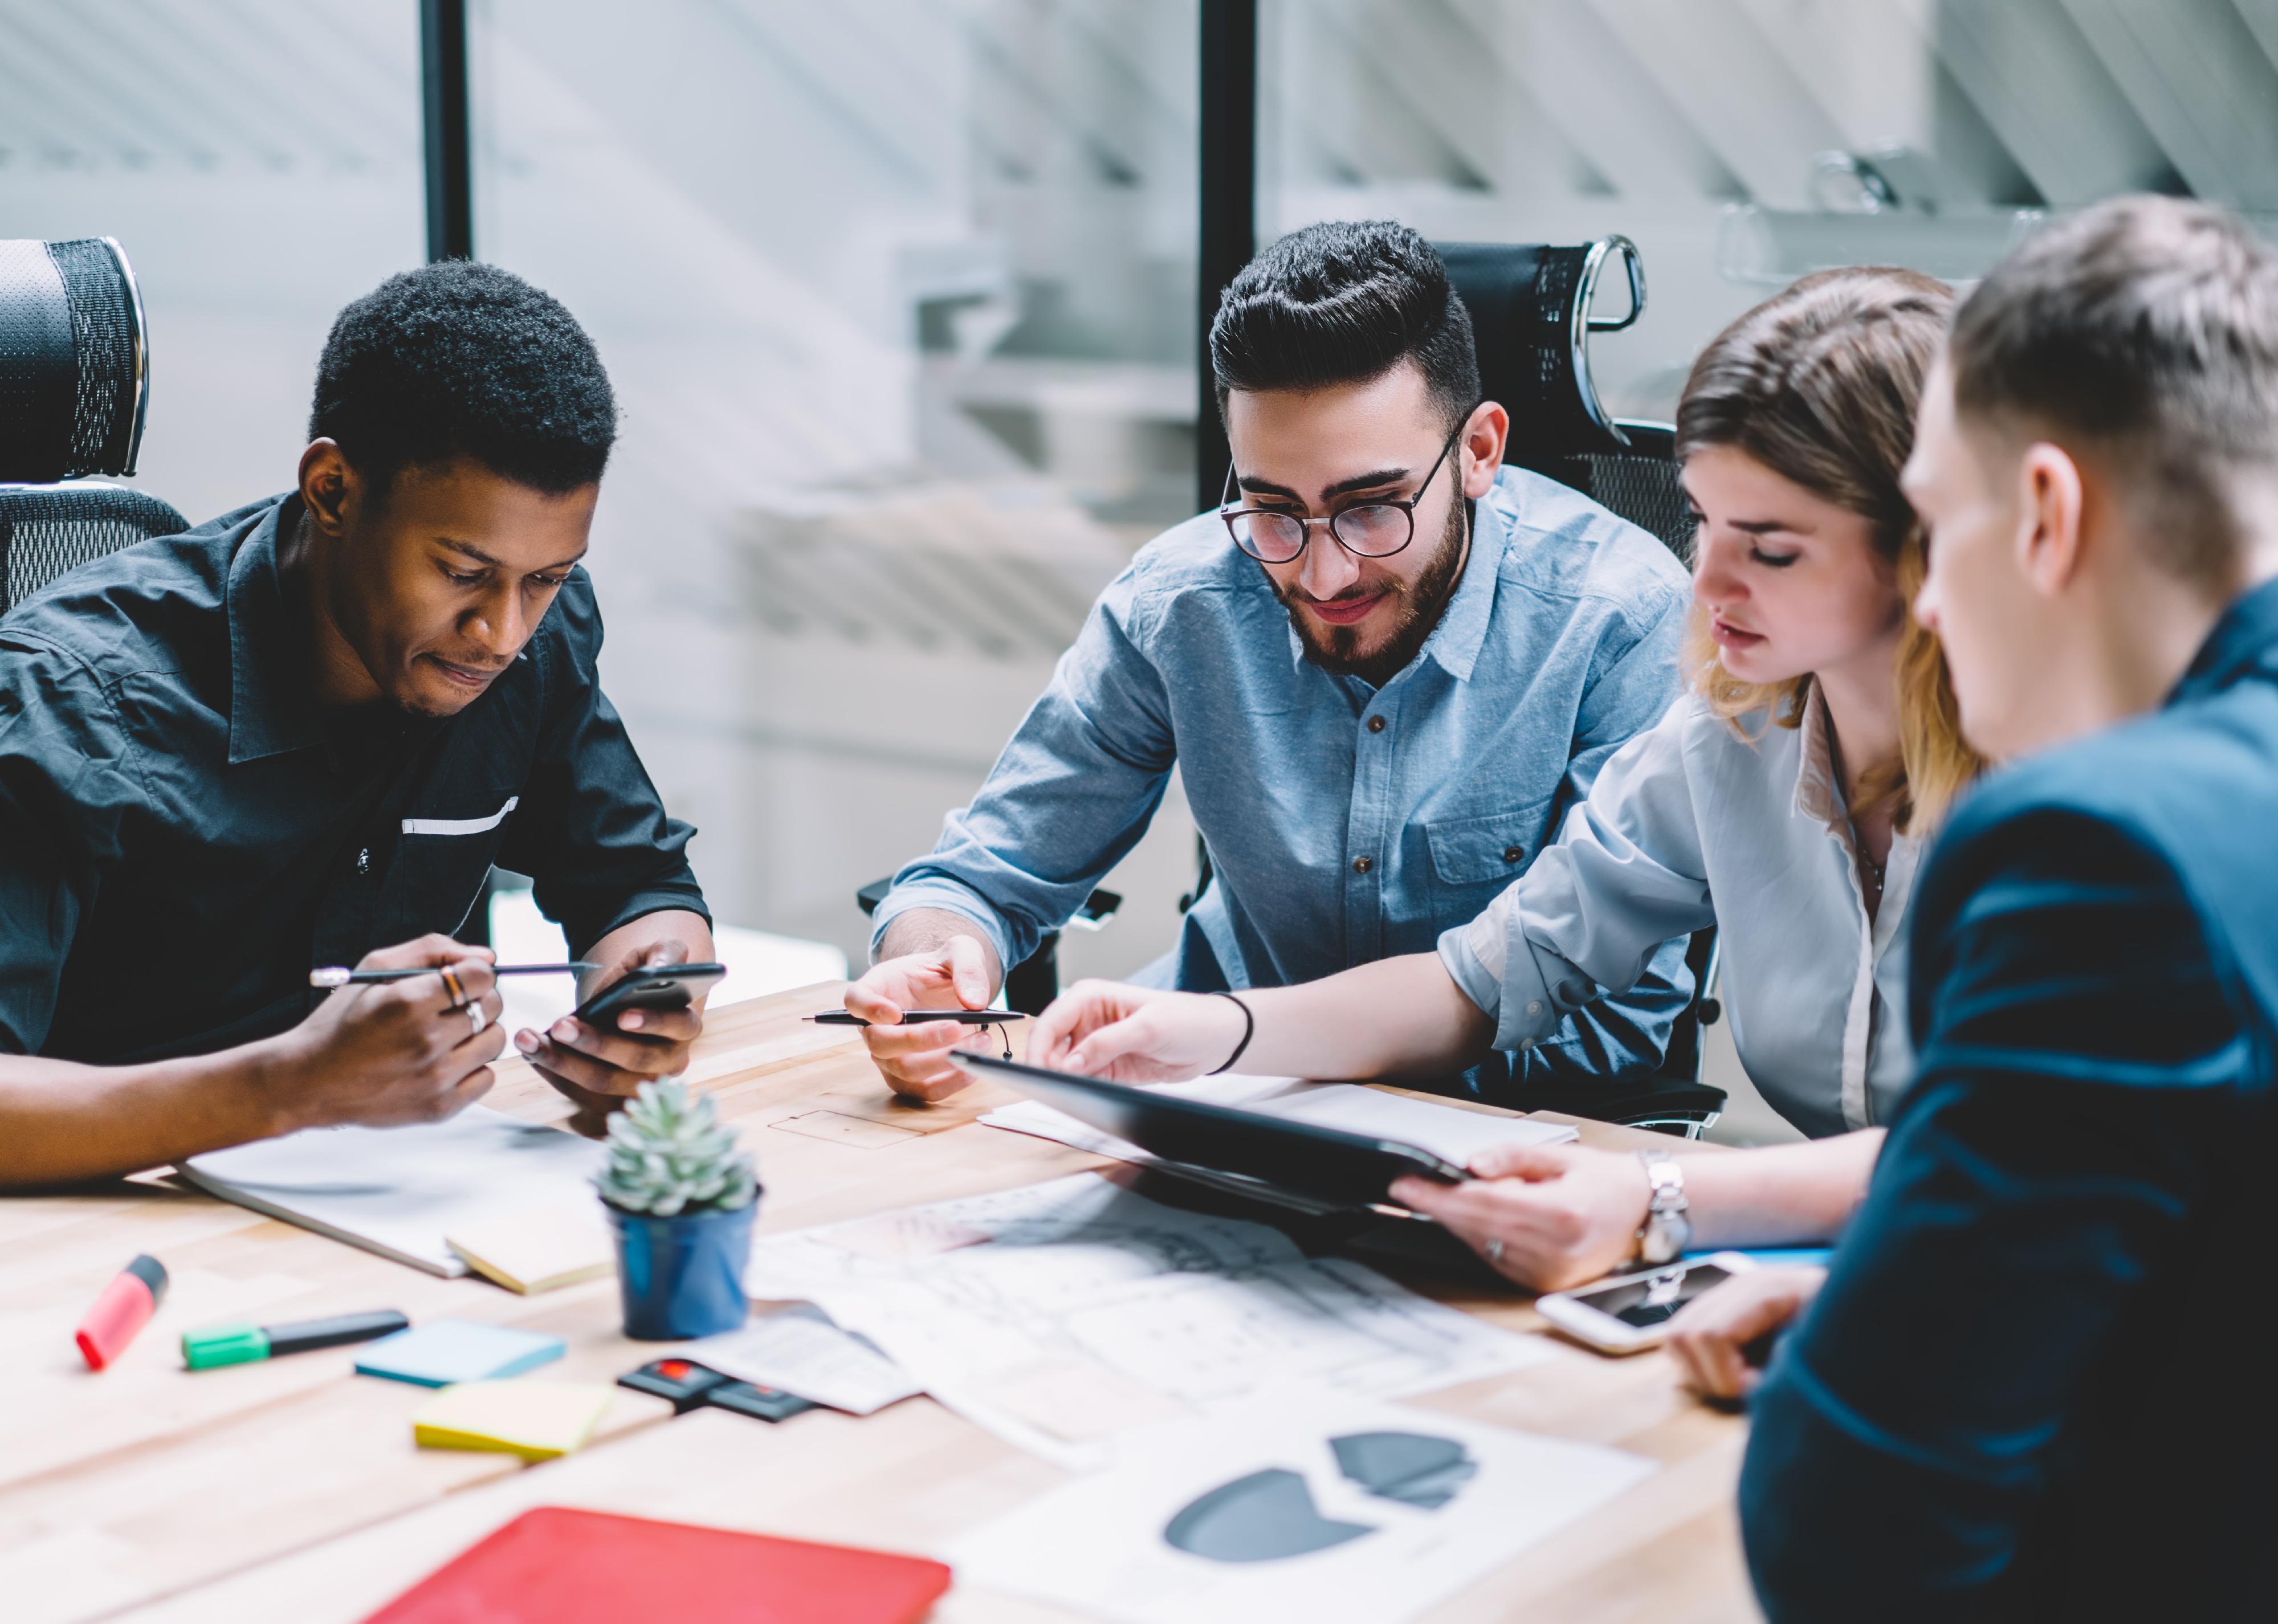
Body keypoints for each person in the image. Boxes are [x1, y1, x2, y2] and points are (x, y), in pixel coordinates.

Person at [1029, 267, 1982, 1290]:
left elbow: (2027, 1146)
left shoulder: (2061, 784)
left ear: (1928, 546)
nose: (1702, 583)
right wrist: (1212, 1032)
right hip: (1875, 1267)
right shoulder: (1731, 735)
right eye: (1701, 521)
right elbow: (1486, 974)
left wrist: (1657, 1198)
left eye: (1772, 547)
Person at [1700, 196, 2278, 1621]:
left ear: (2044, 514)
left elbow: (1857, 1531)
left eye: (1935, 528)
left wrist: (1883, 1360)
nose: (1931, 607)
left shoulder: (2099, 851)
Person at [847, 220, 1693, 1101]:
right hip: (1195, 1099)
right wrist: (937, 969)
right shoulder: (1181, 601)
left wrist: (1264, 1052)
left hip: (1494, 1142)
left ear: (1478, 451)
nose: (1322, 572)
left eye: (1371, 508)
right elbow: (976, 878)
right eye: (1273, 509)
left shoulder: (1617, 618)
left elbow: (1614, 1030)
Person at [0, 262, 714, 1188]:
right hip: (97, 1239)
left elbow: (641, 884)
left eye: (544, 578)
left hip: (399, 1215)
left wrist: (644, 1000)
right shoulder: (66, 700)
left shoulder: (531, 644)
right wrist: (294, 1084)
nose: (501, 632)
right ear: (333, 490)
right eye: (462, 571)